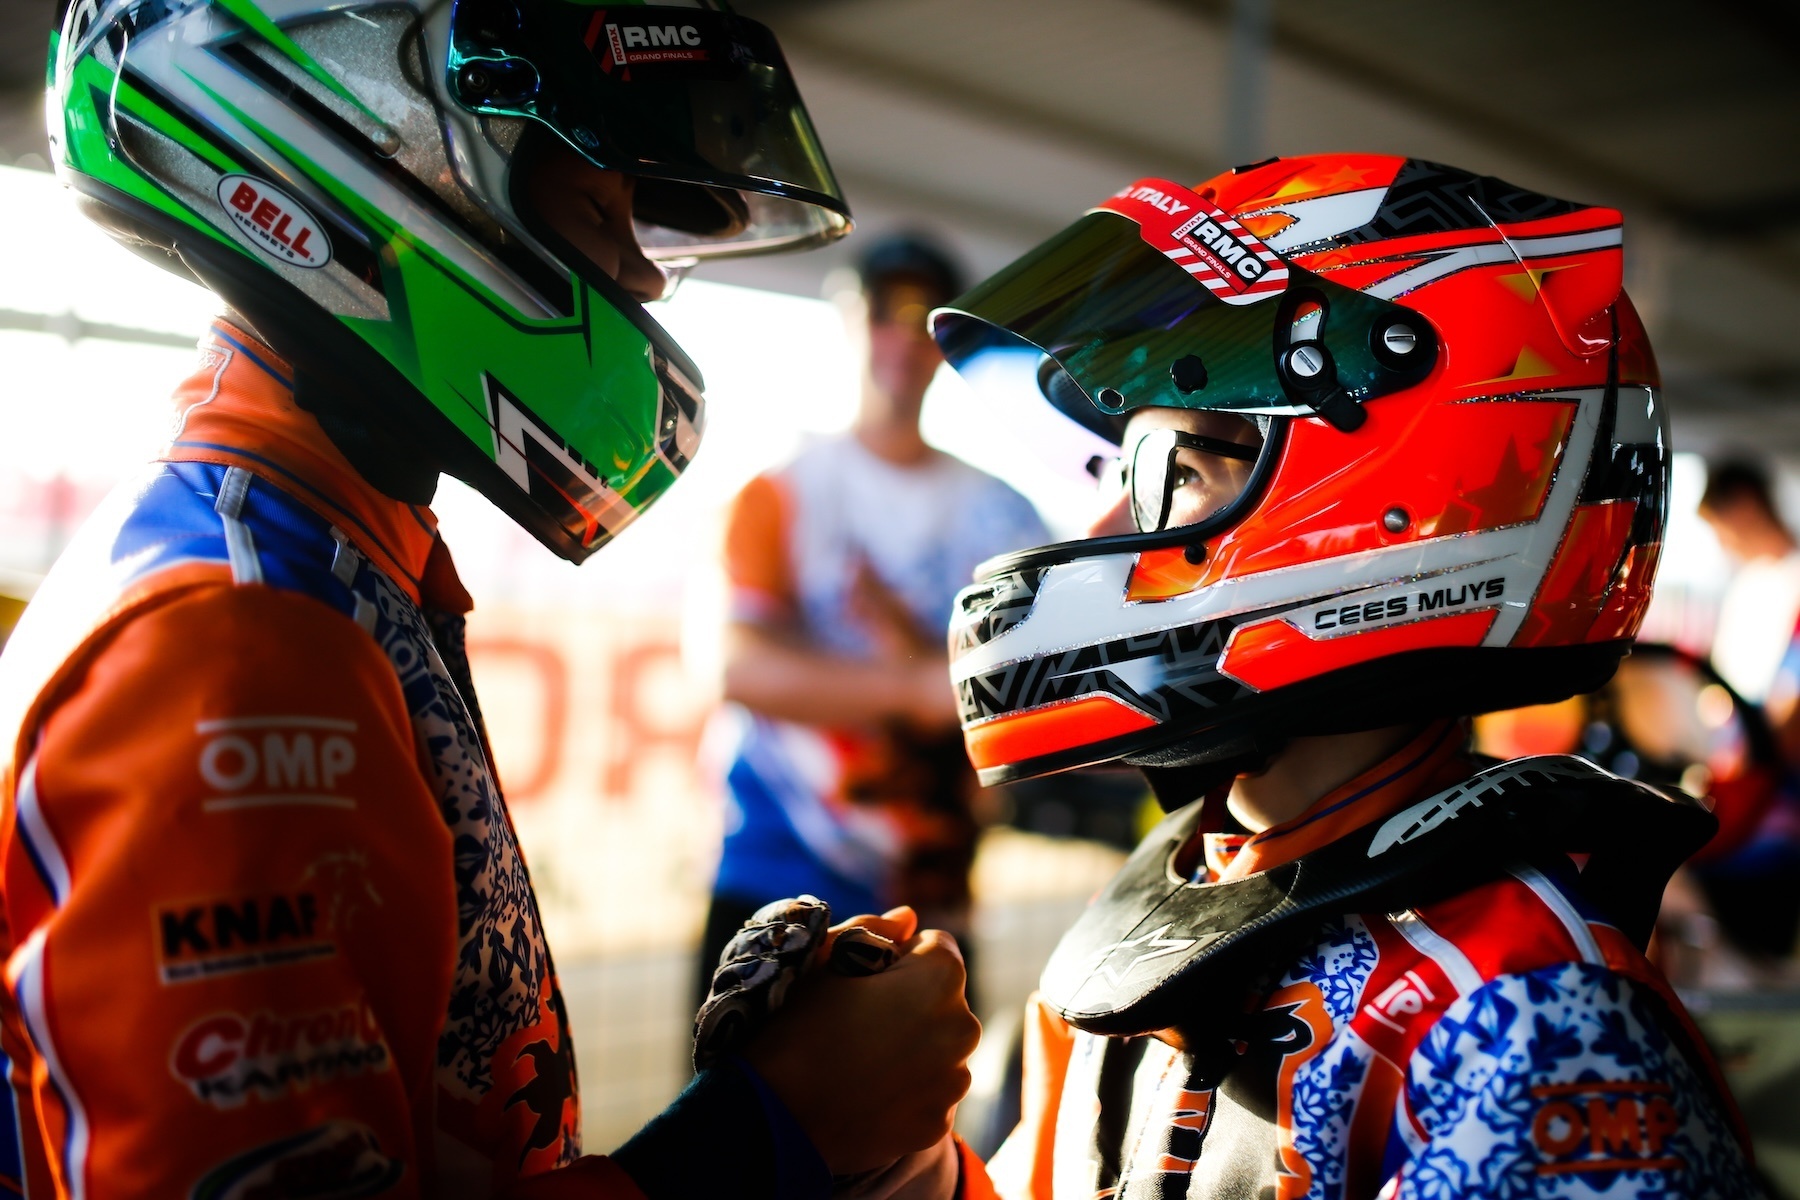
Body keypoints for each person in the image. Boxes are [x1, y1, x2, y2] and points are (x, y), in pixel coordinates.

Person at [5, 1, 977, 1196]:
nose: (640, 280)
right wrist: (772, 1131)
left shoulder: (332, 561)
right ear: (375, 136)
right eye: (602, 205)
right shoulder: (236, 643)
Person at [921, 154, 1756, 1195]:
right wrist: (891, 1159)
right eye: (1117, 473)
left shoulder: (1526, 1017)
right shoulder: (1184, 892)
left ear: (1408, 492)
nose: (1104, 530)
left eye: (1167, 473)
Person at [702, 234, 1049, 997]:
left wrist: (900, 674)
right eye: (883, 308)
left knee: (923, 1118)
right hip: (774, 874)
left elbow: (1039, 685)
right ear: (847, 319)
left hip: (931, 893)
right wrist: (926, 685)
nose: (902, 333)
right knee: (745, 1117)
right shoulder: (782, 493)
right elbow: (735, 668)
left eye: (927, 317)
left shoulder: (1006, 513)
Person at [1699, 458, 1800, 708]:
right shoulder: (1745, 584)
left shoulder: (1793, 577)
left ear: (1745, 506)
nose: (1722, 543)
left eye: (1720, 528)